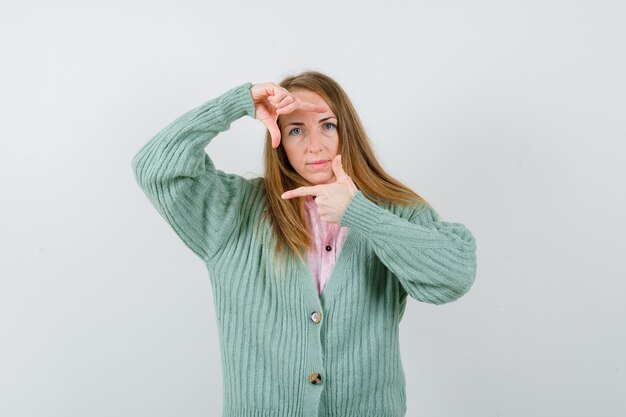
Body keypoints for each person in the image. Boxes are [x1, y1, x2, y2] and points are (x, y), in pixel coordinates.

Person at [131, 70, 477, 417]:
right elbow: (155, 168)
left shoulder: (393, 211)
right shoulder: (234, 212)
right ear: (277, 139)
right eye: (296, 129)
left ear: (347, 132)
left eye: (328, 125)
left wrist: (360, 214)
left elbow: (454, 275)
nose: (316, 145)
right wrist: (236, 104)